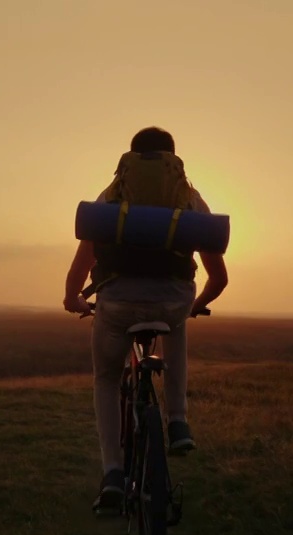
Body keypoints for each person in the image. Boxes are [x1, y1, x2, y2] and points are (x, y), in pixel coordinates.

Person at [61, 126, 229, 513]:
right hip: (173, 300)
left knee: (105, 378)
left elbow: (83, 261)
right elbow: (219, 278)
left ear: (131, 158)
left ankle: (113, 476)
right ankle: (178, 422)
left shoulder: (113, 196)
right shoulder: (189, 199)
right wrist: (194, 303)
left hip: (117, 301)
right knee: (177, 321)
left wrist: (72, 298)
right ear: (173, 160)